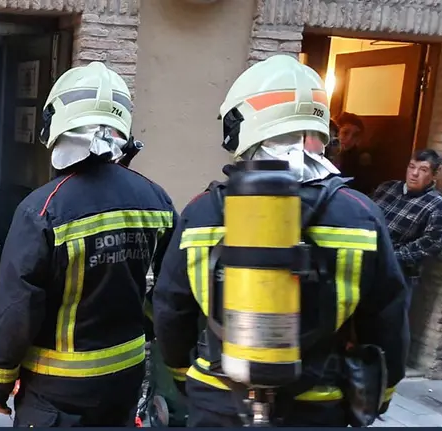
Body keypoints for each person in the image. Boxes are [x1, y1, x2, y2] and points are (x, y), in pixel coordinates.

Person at [152, 55, 410, 427]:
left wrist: (182, 374)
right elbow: (387, 317)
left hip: (219, 401)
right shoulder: (361, 214)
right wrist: (382, 394)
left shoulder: (202, 211)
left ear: (241, 125)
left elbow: (171, 309)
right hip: (317, 405)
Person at [0, 61, 178, 427]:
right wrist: (145, 324)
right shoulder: (157, 199)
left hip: (57, 394)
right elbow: (170, 291)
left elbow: (16, 308)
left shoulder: (43, 209)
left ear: (57, 125)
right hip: (125, 380)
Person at [372, 149, 442, 306]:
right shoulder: (387, 187)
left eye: (423, 170)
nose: (414, 173)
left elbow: (431, 244)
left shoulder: (438, 205)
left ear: (434, 174)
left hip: (396, 275)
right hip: (365, 260)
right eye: (412, 167)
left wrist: (390, 258)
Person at [335, 112, 374, 194]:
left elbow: (364, 189)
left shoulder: (359, 158)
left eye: (355, 135)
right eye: (345, 133)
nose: (349, 139)